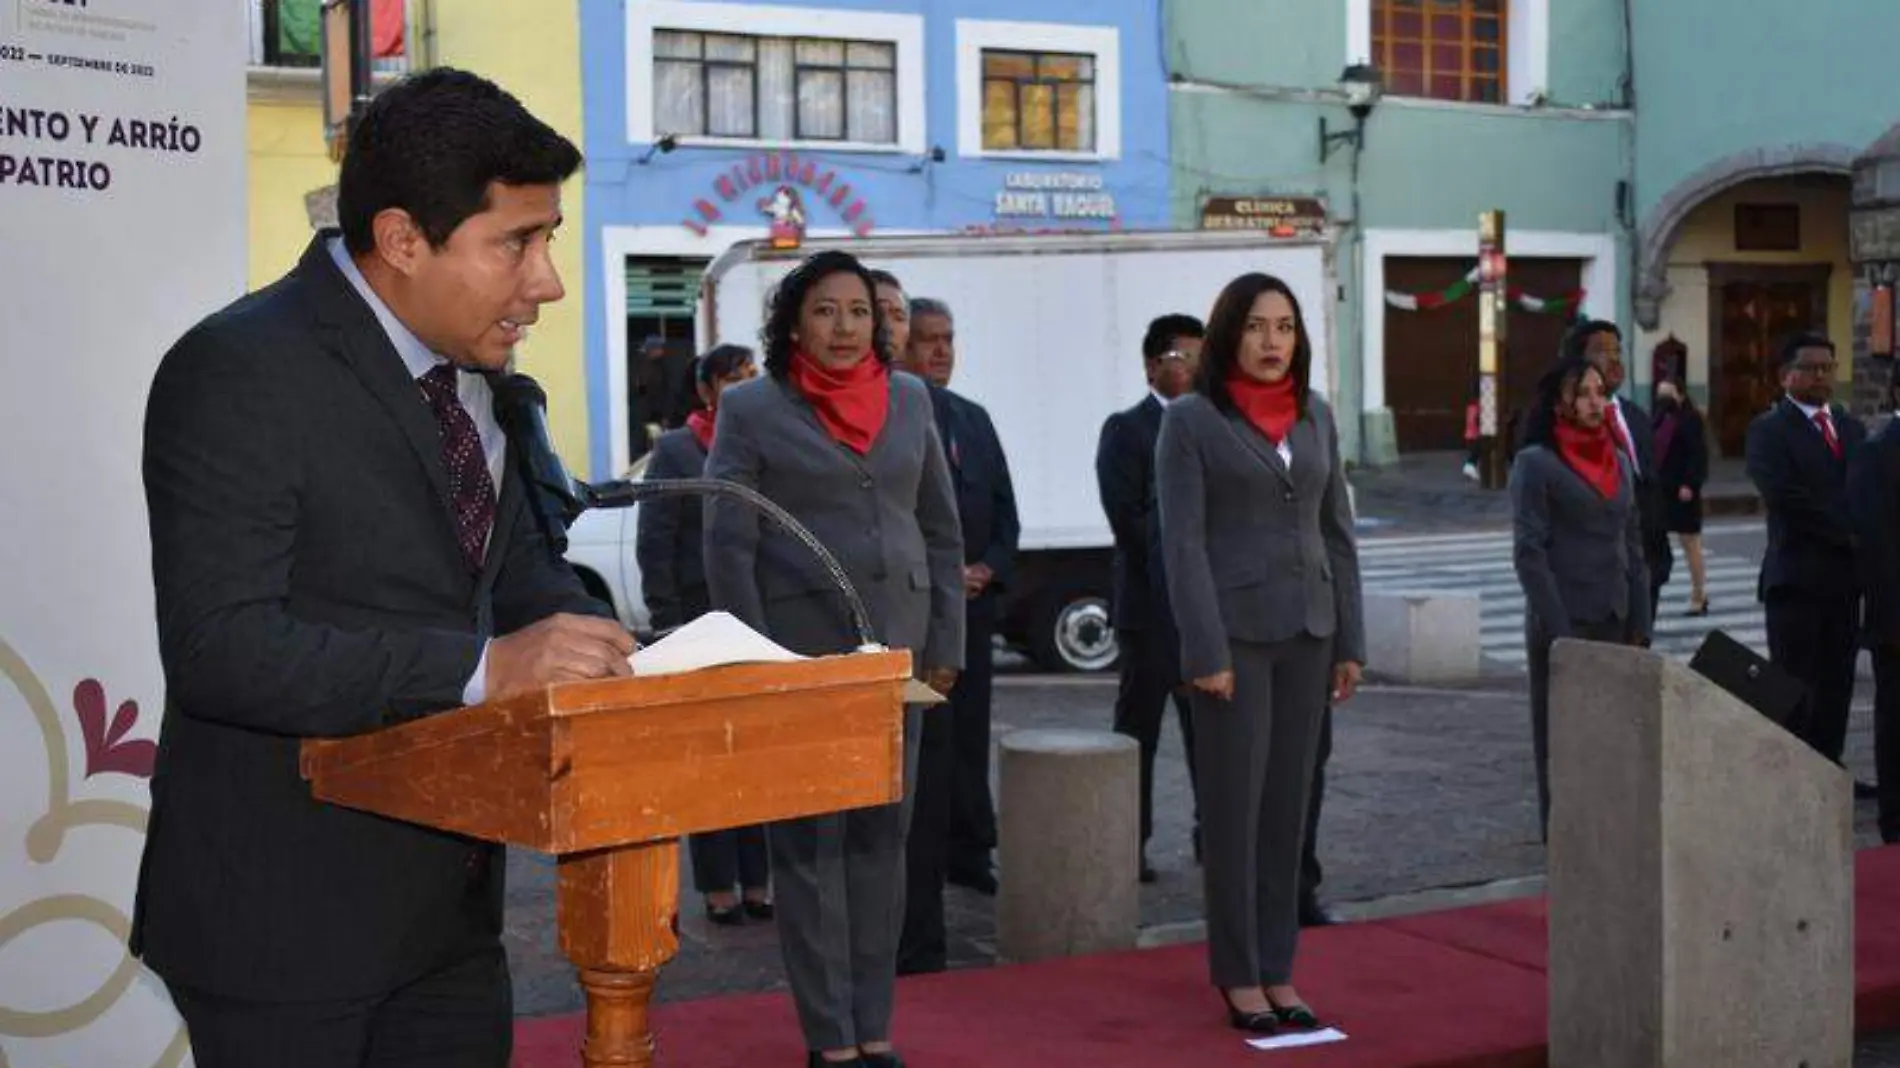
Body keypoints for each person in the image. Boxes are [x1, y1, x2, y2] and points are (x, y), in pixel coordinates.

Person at [131, 69, 635, 1067]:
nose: (547, 283)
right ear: (403, 240)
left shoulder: (485, 382)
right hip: (282, 925)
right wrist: (487, 670)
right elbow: (220, 648)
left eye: (550, 241)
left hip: (448, 922)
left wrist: (653, 657)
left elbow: (521, 587)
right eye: (516, 244)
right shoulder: (240, 369)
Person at [704, 250, 964, 1068]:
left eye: (860, 311)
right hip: (799, 656)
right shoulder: (751, 407)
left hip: (900, 654)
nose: (846, 327)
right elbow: (727, 537)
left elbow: (940, 529)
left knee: (882, 845)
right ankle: (830, 1039)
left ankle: (874, 1027)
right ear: (793, 320)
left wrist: (946, 643)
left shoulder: (913, 398)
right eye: (825, 310)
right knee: (811, 852)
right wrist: (752, 658)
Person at [1157, 273, 1365, 1033]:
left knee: (1288, 814)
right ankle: (1239, 974)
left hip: (1309, 633)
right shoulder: (1191, 420)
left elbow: (1336, 531)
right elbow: (1180, 542)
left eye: (1285, 326)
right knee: (1235, 816)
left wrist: (1351, 638)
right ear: (1228, 336)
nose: (1273, 342)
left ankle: (1280, 969)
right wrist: (1204, 647)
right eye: (1256, 327)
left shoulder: (1316, 414)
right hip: (1233, 643)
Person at [636, 343, 771, 925]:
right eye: (736, 380)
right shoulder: (676, 449)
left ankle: (759, 882)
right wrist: (666, 618)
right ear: (708, 389)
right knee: (709, 758)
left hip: (756, 624)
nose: (747, 387)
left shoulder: (763, 443)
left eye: (753, 377)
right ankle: (719, 887)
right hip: (695, 623)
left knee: (757, 756)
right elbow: (656, 538)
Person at [902, 296, 1017, 900]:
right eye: (927, 339)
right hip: (921, 613)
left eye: (948, 338)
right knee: (926, 742)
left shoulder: (973, 419)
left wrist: (989, 567)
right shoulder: (897, 419)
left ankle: (972, 850)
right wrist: (946, 573)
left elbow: (1005, 510)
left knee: (971, 736)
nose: (941, 350)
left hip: (974, 607)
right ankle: (922, 856)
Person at [1510, 356, 1651, 840]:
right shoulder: (1536, 464)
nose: (1596, 402)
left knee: (1610, 733)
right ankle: (1565, 835)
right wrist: (1559, 628)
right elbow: (1529, 552)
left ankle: (1606, 831)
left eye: (1600, 392)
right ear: (1559, 403)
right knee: (1561, 736)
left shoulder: (1617, 459)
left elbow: (1633, 542)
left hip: (1613, 612)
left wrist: (1640, 617)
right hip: (1563, 618)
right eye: (1584, 393)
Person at [1095, 313, 1204, 883]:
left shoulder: (1213, 427)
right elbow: (1129, 523)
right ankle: (1129, 845)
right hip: (1149, 614)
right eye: (1184, 358)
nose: (1194, 370)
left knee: (1210, 737)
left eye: (1200, 358)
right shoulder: (1128, 430)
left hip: (1204, 618)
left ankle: (1213, 836)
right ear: (1153, 366)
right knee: (1138, 736)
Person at [1746, 331, 1865, 766]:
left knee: (1838, 687)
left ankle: (1831, 772)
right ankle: (1795, 774)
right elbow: (1785, 497)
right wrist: (1849, 531)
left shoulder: (1850, 427)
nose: (1820, 376)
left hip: (1845, 582)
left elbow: (1865, 489)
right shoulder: (1769, 430)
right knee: (1796, 690)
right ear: (1785, 376)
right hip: (1796, 580)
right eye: (1810, 368)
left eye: (1827, 368)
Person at [1563, 319, 1672, 624]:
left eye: (1617, 351)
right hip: (1594, 571)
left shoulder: (1636, 416)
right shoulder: (1563, 422)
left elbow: (1652, 484)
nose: (1613, 359)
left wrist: (1659, 559)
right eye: (1601, 351)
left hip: (1646, 565)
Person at [1850, 360, 1900, 843]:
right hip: (1897, 616)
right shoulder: (1878, 454)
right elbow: (1876, 545)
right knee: (1895, 721)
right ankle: (1895, 822)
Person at [1651, 377, 1710, 615]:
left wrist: (1690, 483)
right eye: (1660, 394)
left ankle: (1699, 594)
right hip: (1660, 490)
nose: (1664, 399)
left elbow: (1698, 454)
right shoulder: (1657, 419)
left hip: (1683, 490)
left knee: (1690, 544)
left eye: (1668, 394)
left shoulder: (1690, 419)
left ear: (1680, 395)